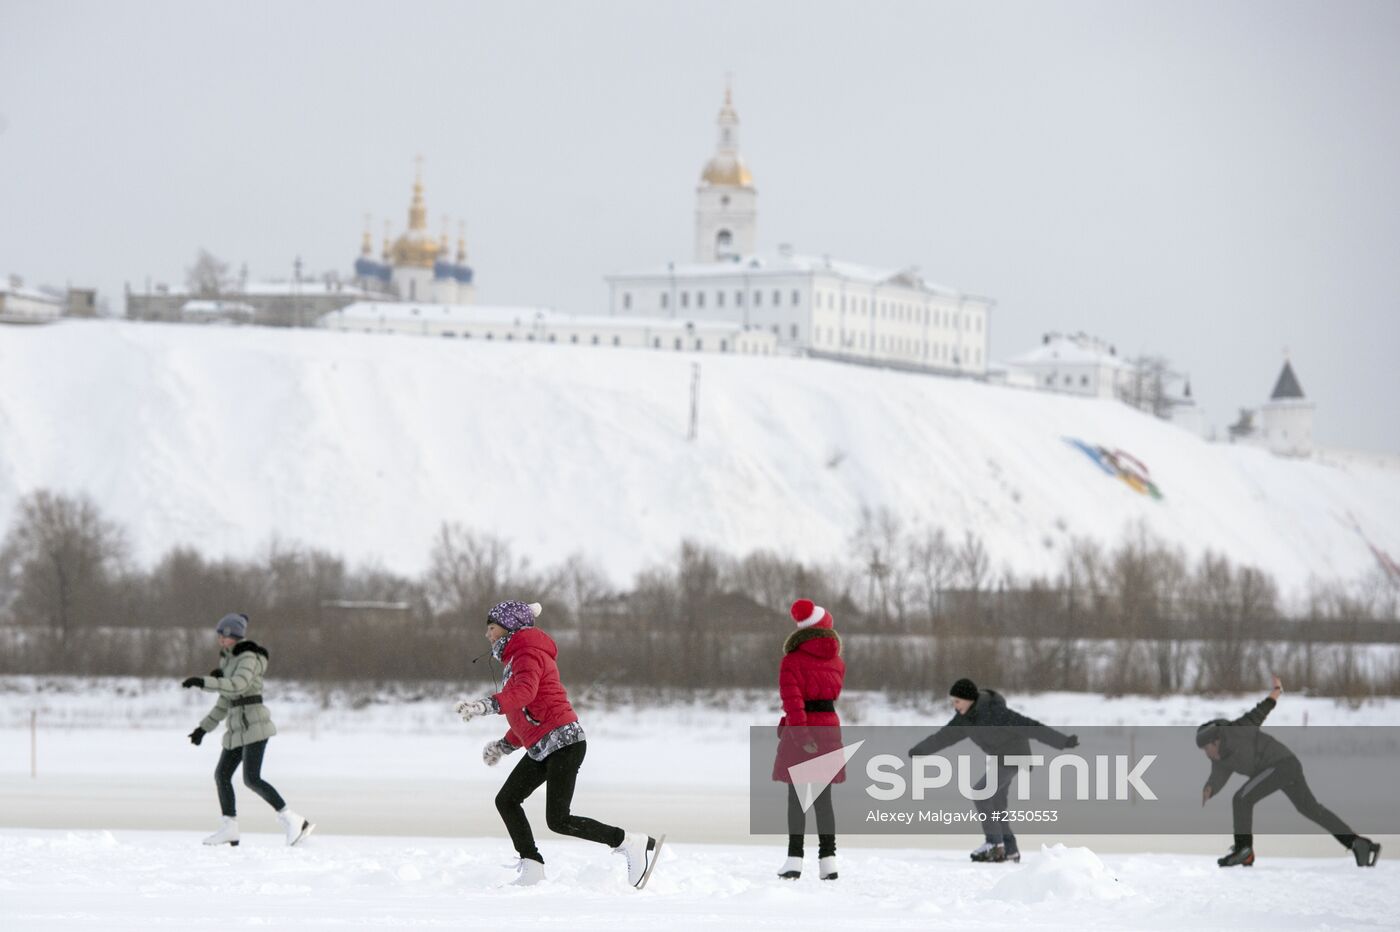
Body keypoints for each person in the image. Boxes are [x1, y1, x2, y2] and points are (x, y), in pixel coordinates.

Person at [454, 599, 663, 888]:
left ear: (508, 628)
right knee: (507, 800)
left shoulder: (528, 653)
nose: (487, 635)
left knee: (559, 819)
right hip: (544, 745)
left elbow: (524, 693)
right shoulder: (517, 657)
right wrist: (504, 745)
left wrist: (486, 706)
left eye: (491, 628)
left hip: (564, 742)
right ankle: (532, 866)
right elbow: (526, 714)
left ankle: (629, 842)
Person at [1198, 674, 1380, 868]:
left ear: (1216, 740)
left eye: (1207, 749)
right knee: (1310, 809)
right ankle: (1357, 843)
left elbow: (1261, 710)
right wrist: (1210, 788)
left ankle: (1244, 850)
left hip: (1280, 764)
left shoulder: (1238, 730)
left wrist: (1276, 691)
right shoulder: (1219, 759)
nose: (1206, 754)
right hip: (1285, 767)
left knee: (1241, 799)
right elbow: (1217, 776)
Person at [909, 678, 1078, 863]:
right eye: (952, 702)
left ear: (969, 699)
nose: (954, 706)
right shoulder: (964, 719)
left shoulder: (995, 712)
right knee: (996, 803)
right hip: (1000, 759)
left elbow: (1031, 727)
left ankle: (994, 845)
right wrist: (920, 750)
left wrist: (1063, 741)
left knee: (981, 793)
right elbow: (943, 737)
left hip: (1014, 756)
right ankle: (1009, 849)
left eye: (957, 701)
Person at [182, 612, 313, 847]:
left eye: (224, 635)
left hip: (255, 725)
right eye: (219, 635)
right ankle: (229, 828)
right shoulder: (228, 660)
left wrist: (205, 682)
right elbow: (225, 700)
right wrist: (203, 729)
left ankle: (293, 820)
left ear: (235, 635)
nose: (220, 639)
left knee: (252, 778)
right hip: (236, 730)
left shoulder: (248, 657)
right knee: (222, 775)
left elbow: (237, 685)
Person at [773, 599, 845, 882]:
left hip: (803, 730)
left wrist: (801, 736)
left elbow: (794, 703)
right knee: (823, 800)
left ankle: (794, 861)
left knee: (797, 798)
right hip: (830, 728)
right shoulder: (837, 661)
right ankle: (829, 862)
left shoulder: (791, 660)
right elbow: (829, 698)